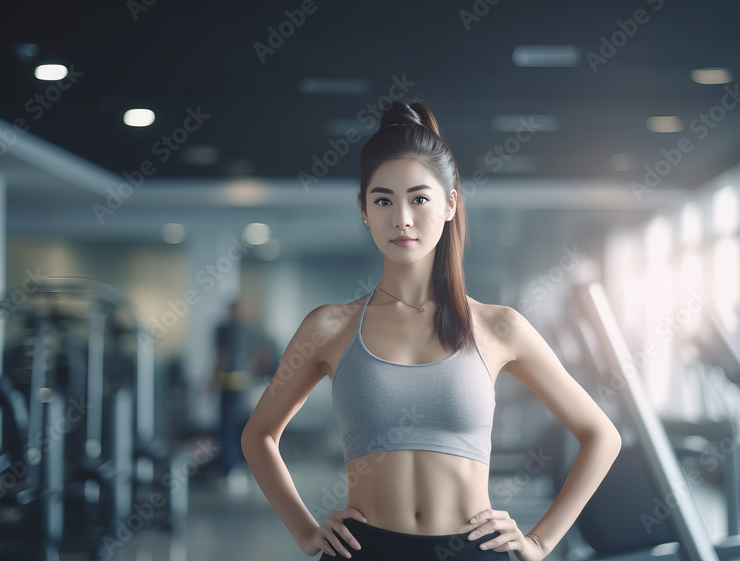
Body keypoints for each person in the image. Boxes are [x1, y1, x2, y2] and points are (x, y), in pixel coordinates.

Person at [242, 101, 621, 560]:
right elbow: (259, 434)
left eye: (419, 198)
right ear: (363, 209)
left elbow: (601, 435)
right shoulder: (330, 327)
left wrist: (540, 541)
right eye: (383, 200)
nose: (401, 217)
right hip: (365, 551)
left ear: (449, 204)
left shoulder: (499, 327)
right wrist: (305, 531)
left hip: (473, 551)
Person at [213, 298, 272, 491]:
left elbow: (222, 356)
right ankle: (245, 466)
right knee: (244, 426)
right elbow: (263, 355)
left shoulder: (224, 329)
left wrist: (212, 381)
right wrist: (255, 374)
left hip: (229, 383)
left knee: (227, 427)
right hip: (245, 384)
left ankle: (230, 469)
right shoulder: (254, 330)